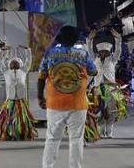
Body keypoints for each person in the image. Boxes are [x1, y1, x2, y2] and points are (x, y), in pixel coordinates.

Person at [39, 26, 97, 168]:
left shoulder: (50, 54)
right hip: (78, 104)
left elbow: (41, 77)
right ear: (76, 39)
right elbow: (94, 71)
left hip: (55, 103)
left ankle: (47, 166)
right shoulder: (83, 54)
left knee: (52, 138)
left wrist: (40, 97)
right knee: (76, 139)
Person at [86, 29, 127, 139]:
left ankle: (109, 132)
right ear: (98, 52)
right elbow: (89, 49)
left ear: (109, 52)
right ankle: (101, 130)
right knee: (99, 109)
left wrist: (118, 39)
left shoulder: (113, 60)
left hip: (112, 89)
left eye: (106, 52)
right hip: (97, 88)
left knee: (112, 110)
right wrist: (89, 39)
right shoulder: (95, 59)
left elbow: (118, 49)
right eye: (102, 51)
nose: (103, 53)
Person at [0, 45, 37, 141]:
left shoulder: (23, 71)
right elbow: (0, 62)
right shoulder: (6, 72)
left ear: (20, 64)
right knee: (8, 118)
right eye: (12, 63)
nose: (14, 64)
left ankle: (22, 133)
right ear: (9, 65)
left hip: (21, 100)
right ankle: (8, 134)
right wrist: (1, 51)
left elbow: (28, 61)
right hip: (10, 100)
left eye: (16, 63)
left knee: (21, 119)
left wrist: (28, 50)